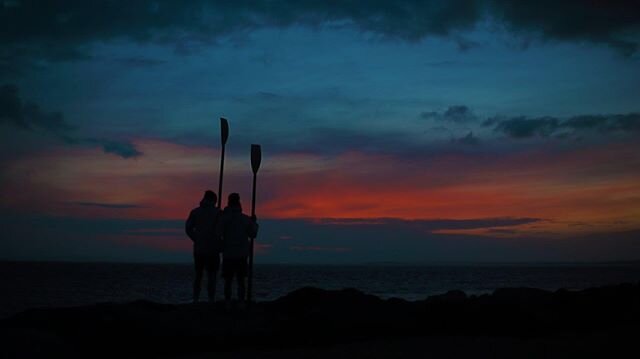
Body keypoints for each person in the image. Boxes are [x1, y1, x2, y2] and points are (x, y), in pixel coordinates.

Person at [220, 192, 258, 308]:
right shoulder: (245, 219)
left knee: (228, 280)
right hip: (241, 254)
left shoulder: (224, 218)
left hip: (228, 254)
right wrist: (254, 223)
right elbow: (253, 234)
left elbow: (218, 233)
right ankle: (241, 302)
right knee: (241, 280)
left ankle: (227, 302)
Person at [185, 190, 222, 303]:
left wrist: (196, 239)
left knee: (198, 275)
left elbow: (188, 228)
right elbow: (223, 229)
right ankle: (211, 299)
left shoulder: (196, 212)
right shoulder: (218, 213)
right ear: (214, 200)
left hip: (199, 249)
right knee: (212, 276)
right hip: (213, 250)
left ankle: (195, 299)